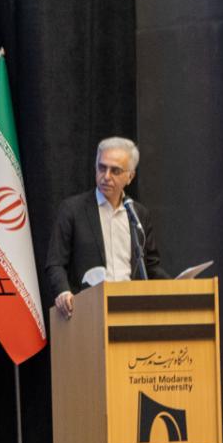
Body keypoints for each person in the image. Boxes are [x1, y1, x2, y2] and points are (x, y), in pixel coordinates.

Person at [43, 136, 166, 319]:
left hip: (132, 311)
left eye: (115, 171)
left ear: (130, 177)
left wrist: (179, 286)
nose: (106, 176)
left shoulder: (138, 214)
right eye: (102, 168)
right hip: (89, 312)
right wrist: (63, 291)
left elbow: (150, 267)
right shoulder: (73, 210)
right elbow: (56, 263)